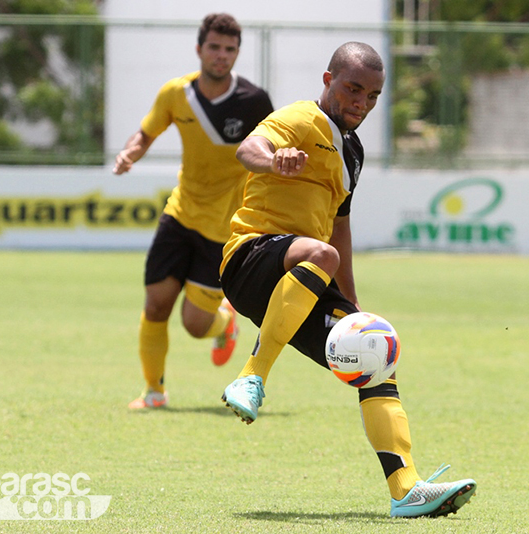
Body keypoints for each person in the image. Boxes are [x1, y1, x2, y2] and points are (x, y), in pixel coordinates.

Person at [218, 41, 476, 518]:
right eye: (353, 89)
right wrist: (275, 161)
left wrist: (352, 306)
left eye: (373, 95)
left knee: (377, 355)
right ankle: (252, 377)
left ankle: (406, 489)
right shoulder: (299, 119)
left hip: (307, 276)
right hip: (250, 258)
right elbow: (248, 149)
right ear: (328, 80)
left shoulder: (352, 152)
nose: (361, 102)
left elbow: (341, 225)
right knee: (320, 252)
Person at [113, 13, 274, 410]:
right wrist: (130, 153)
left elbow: (272, 144)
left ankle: (225, 323)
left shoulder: (254, 101)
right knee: (155, 304)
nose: (222, 56)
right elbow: (147, 131)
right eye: (215, 47)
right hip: (180, 214)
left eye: (230, 49)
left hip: (223, 228)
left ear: (237, 53)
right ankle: (154, 392)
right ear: (199, 49)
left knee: (194, 325)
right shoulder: (176, 93)